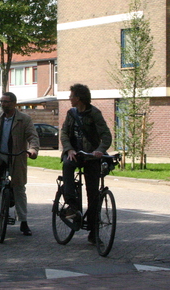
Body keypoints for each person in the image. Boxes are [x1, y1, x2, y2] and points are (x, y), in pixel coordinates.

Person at [0, 92, 39, 236]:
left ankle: (23, 222)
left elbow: (33, 136)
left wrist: (32, 149)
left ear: (14, 103)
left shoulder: (24, 119)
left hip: (16, 157)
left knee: (19, 188)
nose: (3, 104)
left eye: (6, 102)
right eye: (1, 101)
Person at [60, 83, 112, 245]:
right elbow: (64, 133)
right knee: (67, 166)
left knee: (93, 194)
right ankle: (72, 205)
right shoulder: (71, 113)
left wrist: (100, 150)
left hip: (90, 156)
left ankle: (93, 232)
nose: (70, 99)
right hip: (75, 154)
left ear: (79, 98)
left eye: (72, 96)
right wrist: (68, 149)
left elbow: (106, 136)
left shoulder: (95, 114)